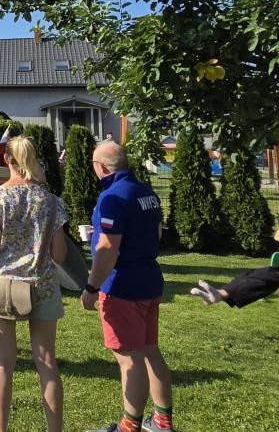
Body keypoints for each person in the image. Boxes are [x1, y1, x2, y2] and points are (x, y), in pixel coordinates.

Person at [0, 136, 68, 432]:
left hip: (3, 286)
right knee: (47, 361)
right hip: (43, 285)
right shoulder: (51, 200)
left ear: (6, 160)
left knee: (3, 361)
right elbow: (60, 254)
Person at [82, 140, 174, 432]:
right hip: (149, 279)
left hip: (122, 286)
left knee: (129, 360)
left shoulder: (112, 197)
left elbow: (108, 248)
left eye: (94, 165)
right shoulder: (146, 192)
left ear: (103, 167)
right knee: (149, 350)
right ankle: (162, 422)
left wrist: (91, 287)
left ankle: (129, 427)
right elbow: (154, 232)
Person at [189, 204, 279, 307]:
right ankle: (219, 294)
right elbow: (278, 236)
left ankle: (219, 294)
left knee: (263, 275)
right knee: (253, 276)